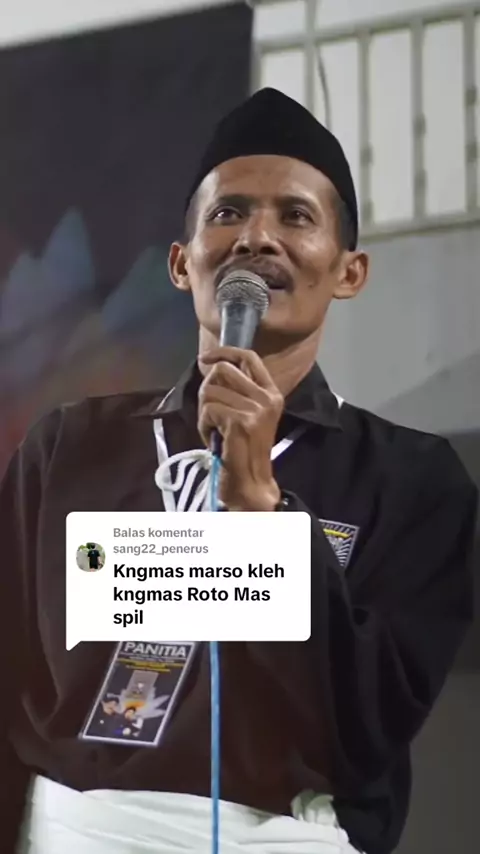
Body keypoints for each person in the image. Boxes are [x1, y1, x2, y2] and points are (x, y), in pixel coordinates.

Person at [0, 88, 477, 854]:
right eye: (228, 213)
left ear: (349, 271)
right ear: (181, 263)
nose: (257, 237)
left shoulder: (411, 480)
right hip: (77, 828)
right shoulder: (68, 449)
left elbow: (370, 724)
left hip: (285, 834)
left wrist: (264, 514)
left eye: (296, 216)